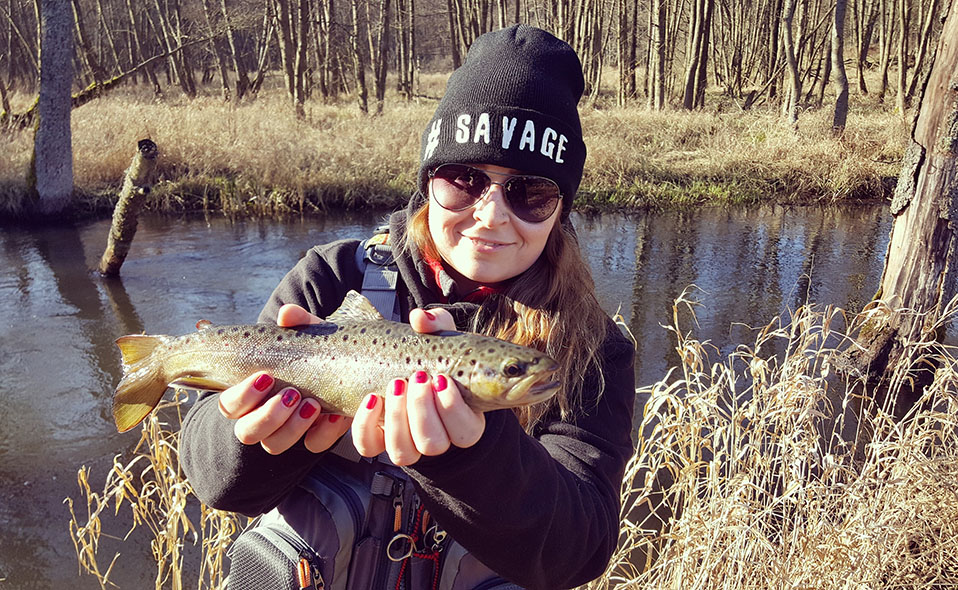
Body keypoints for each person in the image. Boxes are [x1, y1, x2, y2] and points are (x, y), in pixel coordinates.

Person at [179, 24, 636, 590]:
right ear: (428, 184)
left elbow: (578, 553)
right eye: (464, 180)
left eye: (530, 193)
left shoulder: (593, 350)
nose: (491, 216)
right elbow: (214, 481)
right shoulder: (331, 276)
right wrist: (250, 434)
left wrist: (469, 452)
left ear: (561, 210)